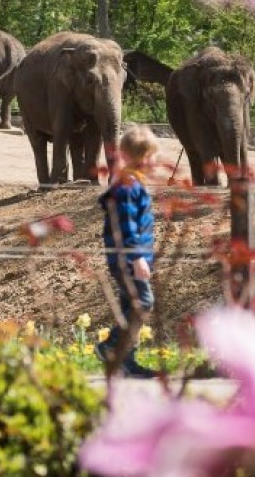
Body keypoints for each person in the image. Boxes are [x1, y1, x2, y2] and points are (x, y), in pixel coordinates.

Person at [95, 125, 159, 378]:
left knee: (128, 306)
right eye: (153, 156)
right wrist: (137, 258)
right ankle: (111, 346)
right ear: (143, 157)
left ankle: (124, 360)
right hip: (128, 258)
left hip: (131, 258)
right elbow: (126, 226)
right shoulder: (128, 187)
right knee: (143, 302)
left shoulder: (134, 184)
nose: (155, 162)